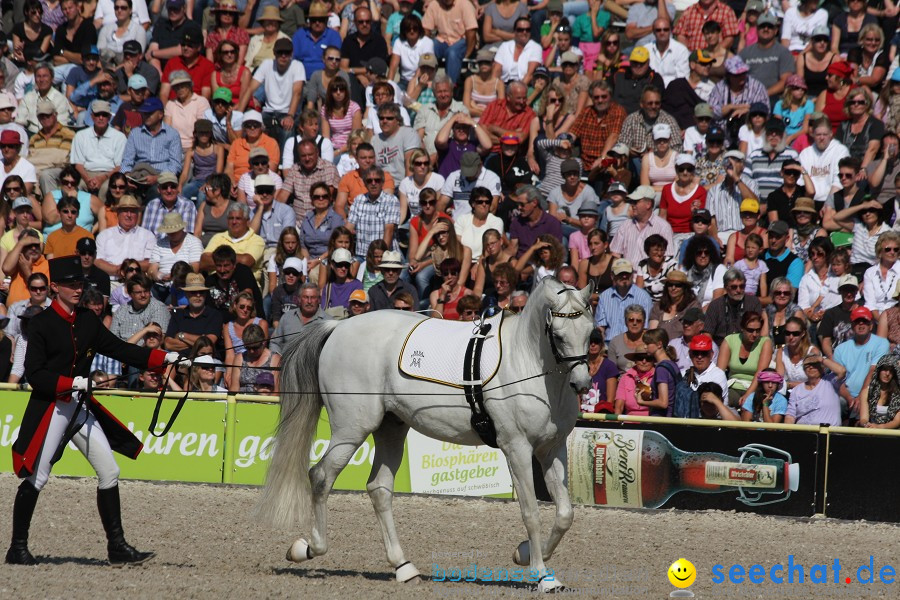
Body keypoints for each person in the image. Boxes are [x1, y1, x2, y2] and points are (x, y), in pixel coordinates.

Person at [5, 255, 183, 566]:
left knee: (110, 470)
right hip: (53, 408)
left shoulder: (87, 319)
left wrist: (163, 359)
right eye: (71, 285)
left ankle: (116, 546)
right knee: (38, 476)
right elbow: (35, 375)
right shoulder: (42, 324)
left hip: (79, 407)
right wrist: (70, 381)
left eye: (80, 284)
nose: (78, 289)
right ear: (55, 287)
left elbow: (119, 349)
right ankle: (17, 548)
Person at [609, 185, 674, 267]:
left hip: (650, 277)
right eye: (631, 201)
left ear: (648, 204)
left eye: (635, 202)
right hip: (627, 276)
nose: (632, 205)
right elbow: (615, 254)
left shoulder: (663, 227)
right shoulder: (625, 225)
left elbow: (667, 257)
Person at [93, 194, 155, 278]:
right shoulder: (104, 235)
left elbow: (150, 263)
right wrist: (117, 269)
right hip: (111, 281)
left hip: (137, 282)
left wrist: (127, 268)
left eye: (132, 211)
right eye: (125, 211)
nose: (129, 215)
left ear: (137, 214)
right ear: (118, 213)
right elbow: (98, 261)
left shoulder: (148, 235)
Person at [147, 212, 203, 301]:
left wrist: (175, 276)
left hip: (183, 286)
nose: (172, 234)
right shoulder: (160, 243)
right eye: (169, 232)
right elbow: (151, 269)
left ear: (182, 228)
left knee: (170, 301)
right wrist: (158, 276)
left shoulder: (194, 242)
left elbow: (194, 269)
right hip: (160, 285)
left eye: (174, 231)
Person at [595, 259, 652, 344]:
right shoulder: (604, 296)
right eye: (620, 274)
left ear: (632, 275)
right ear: (612, 276)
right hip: (609, 345)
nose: (624, 277)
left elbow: (646, 329)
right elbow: (601, 328)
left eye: (627, 273)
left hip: (634, 346)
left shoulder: (644, 297)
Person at [738, 13, 794, 101]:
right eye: (762, 26)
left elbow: (785, 81)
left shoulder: (783, 52)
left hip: (773, 97)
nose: (766, 29)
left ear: (775, 30)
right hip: (747, 97)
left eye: (770, 27)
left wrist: (762, 94)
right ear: (757, 29)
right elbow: (735, 78)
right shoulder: (745, 53)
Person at [163, 273, 223, 353]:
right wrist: (200, 341)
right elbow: (168, 344)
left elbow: (208, 344)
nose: (198, 295)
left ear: (206, 294)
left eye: (201, 292)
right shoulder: (177, 314)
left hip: (206, 360)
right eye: (193, 292)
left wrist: (182, 335)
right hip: (180, 360)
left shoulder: (215, 315)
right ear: (186, 294)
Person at [422, 0, 478, 85]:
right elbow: (426, 28)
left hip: (463, 40)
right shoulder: (434, 5)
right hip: (443, 39)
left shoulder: (465, 4)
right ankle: (426, 83)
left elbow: (471, 32)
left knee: (452, 53)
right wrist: (427, 43)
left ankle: (450, 86)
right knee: (428, 48)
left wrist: (467, 54)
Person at [705, 268, 766, 345]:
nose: (738, 290)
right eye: (734, 287)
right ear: (726, 287)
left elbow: (759, 330)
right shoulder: (715, 305)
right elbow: (707, 333)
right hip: (720, 347)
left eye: (742, 286)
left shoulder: (753, 302)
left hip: (747, 347)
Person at [269, 282, 332, 355]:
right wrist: (276, 357)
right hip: (286, 364)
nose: (309, 301)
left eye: (313, 297)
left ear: (319, 300)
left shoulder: (328, 322)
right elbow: (275, 343)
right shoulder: (287, 318)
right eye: (305, 297)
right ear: (299, 299)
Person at [663, 50, 715, 131]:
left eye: (710, 64)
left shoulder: (712, 88)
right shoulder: (677, 84)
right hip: (672, 129)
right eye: (703, 64)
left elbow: (709, 114)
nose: (708, 66)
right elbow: (667, 109)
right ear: (692, 65)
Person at [784, 355, 842, 426]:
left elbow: (842, 371)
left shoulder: (830, 381)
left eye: (814, 364)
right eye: (807, 365)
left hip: (828, 433)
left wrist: (822, 359)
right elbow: (790, 415)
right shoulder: (796, 390)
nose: (811, 367)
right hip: (804, 433)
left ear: (822, 368)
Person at [611, 47, 665, 116]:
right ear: (630, 62)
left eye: (642, 63)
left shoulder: (654, 79)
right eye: (635, 62)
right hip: (617, 117)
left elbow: (655, 105)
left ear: (648, 62)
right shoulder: (618, 75)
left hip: (641, 118)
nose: (638, 65)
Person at [819, 272, 861, 358]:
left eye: (851, 290)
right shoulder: (830, 313)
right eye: (845, 290)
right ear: (840, 291)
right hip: (836, 357)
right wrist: (833, 359)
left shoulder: (863, 313)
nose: (848, 294)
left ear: (856, 292)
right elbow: (826, 341)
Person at [228, 324, 279, 393]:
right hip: (241, 402)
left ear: (263, 342)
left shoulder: (274, 359)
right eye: (248, 348)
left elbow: (276, 391)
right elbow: (234, 387)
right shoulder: (240, 358)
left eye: (255, 347)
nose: (251, 351)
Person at [673, 0, 738, 51]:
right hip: (693, 59)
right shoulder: (689, 11)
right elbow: (680, 35)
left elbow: (729, 38)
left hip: (717, 60)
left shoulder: (726, 12)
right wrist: (689, 54)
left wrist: (714, 53)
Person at [614, 343, 656, 415]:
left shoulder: (658, 376)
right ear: (635, 360)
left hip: (652, 420)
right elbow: (619, 406)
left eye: (648, 358)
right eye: (640, 358)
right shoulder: (625, 377)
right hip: (629, 421)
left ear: (653, 360)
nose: (644, 361)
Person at [860, 357, 900, 429]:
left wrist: (879, 427)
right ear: (879, 371)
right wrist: (867, 425)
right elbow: (863, 418)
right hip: (871, 430)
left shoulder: (897, 394)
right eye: (885, 370)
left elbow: (897, 421)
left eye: (891, 371)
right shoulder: (867, 392)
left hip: (892, 433)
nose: (887, 374)